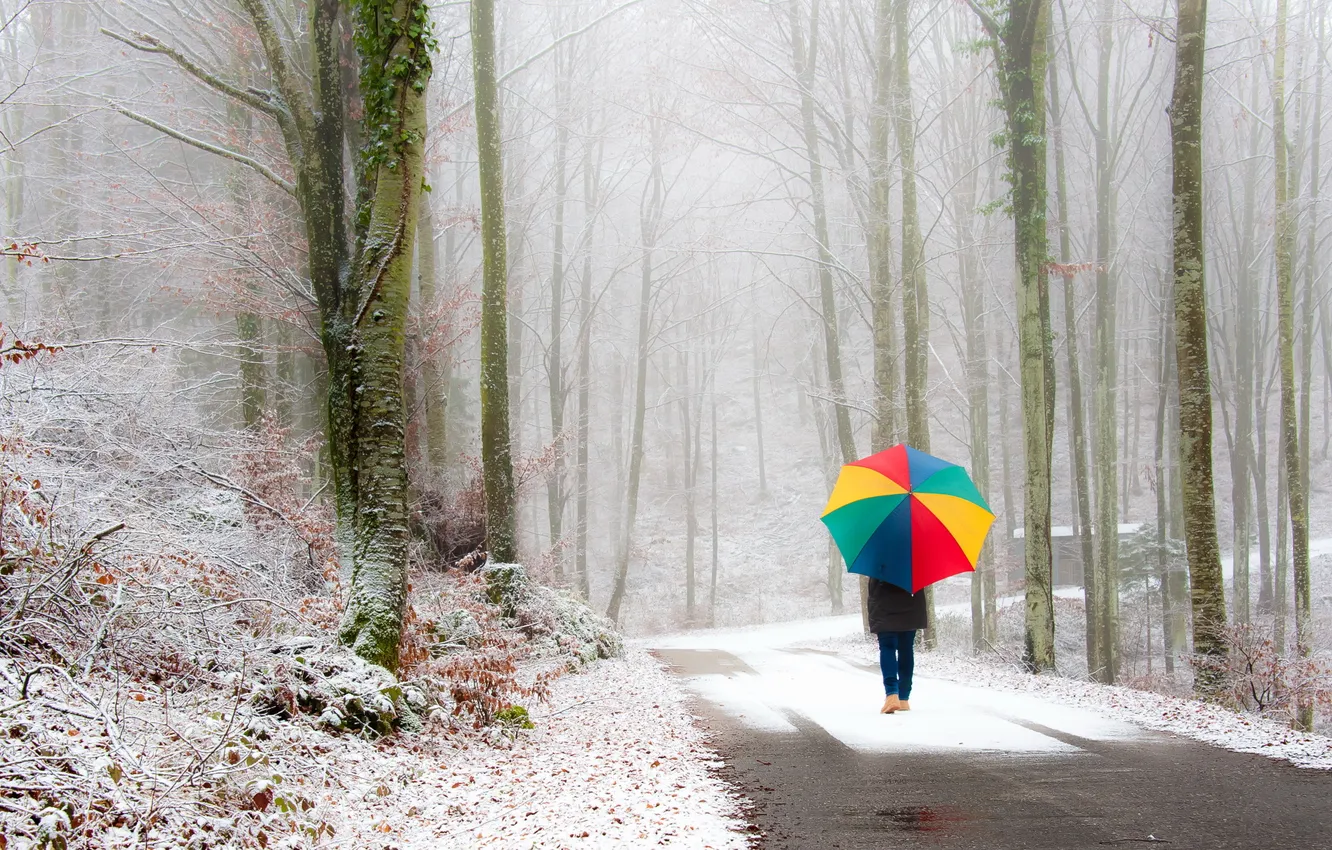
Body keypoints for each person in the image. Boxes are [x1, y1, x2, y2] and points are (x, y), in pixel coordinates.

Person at [867, 578, 927, 714]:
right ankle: (904, 698)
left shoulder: (877, 558)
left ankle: (892, 694)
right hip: (911, 605)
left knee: (887, 647)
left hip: (884, 607)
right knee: (906, 649)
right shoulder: (915, 560)